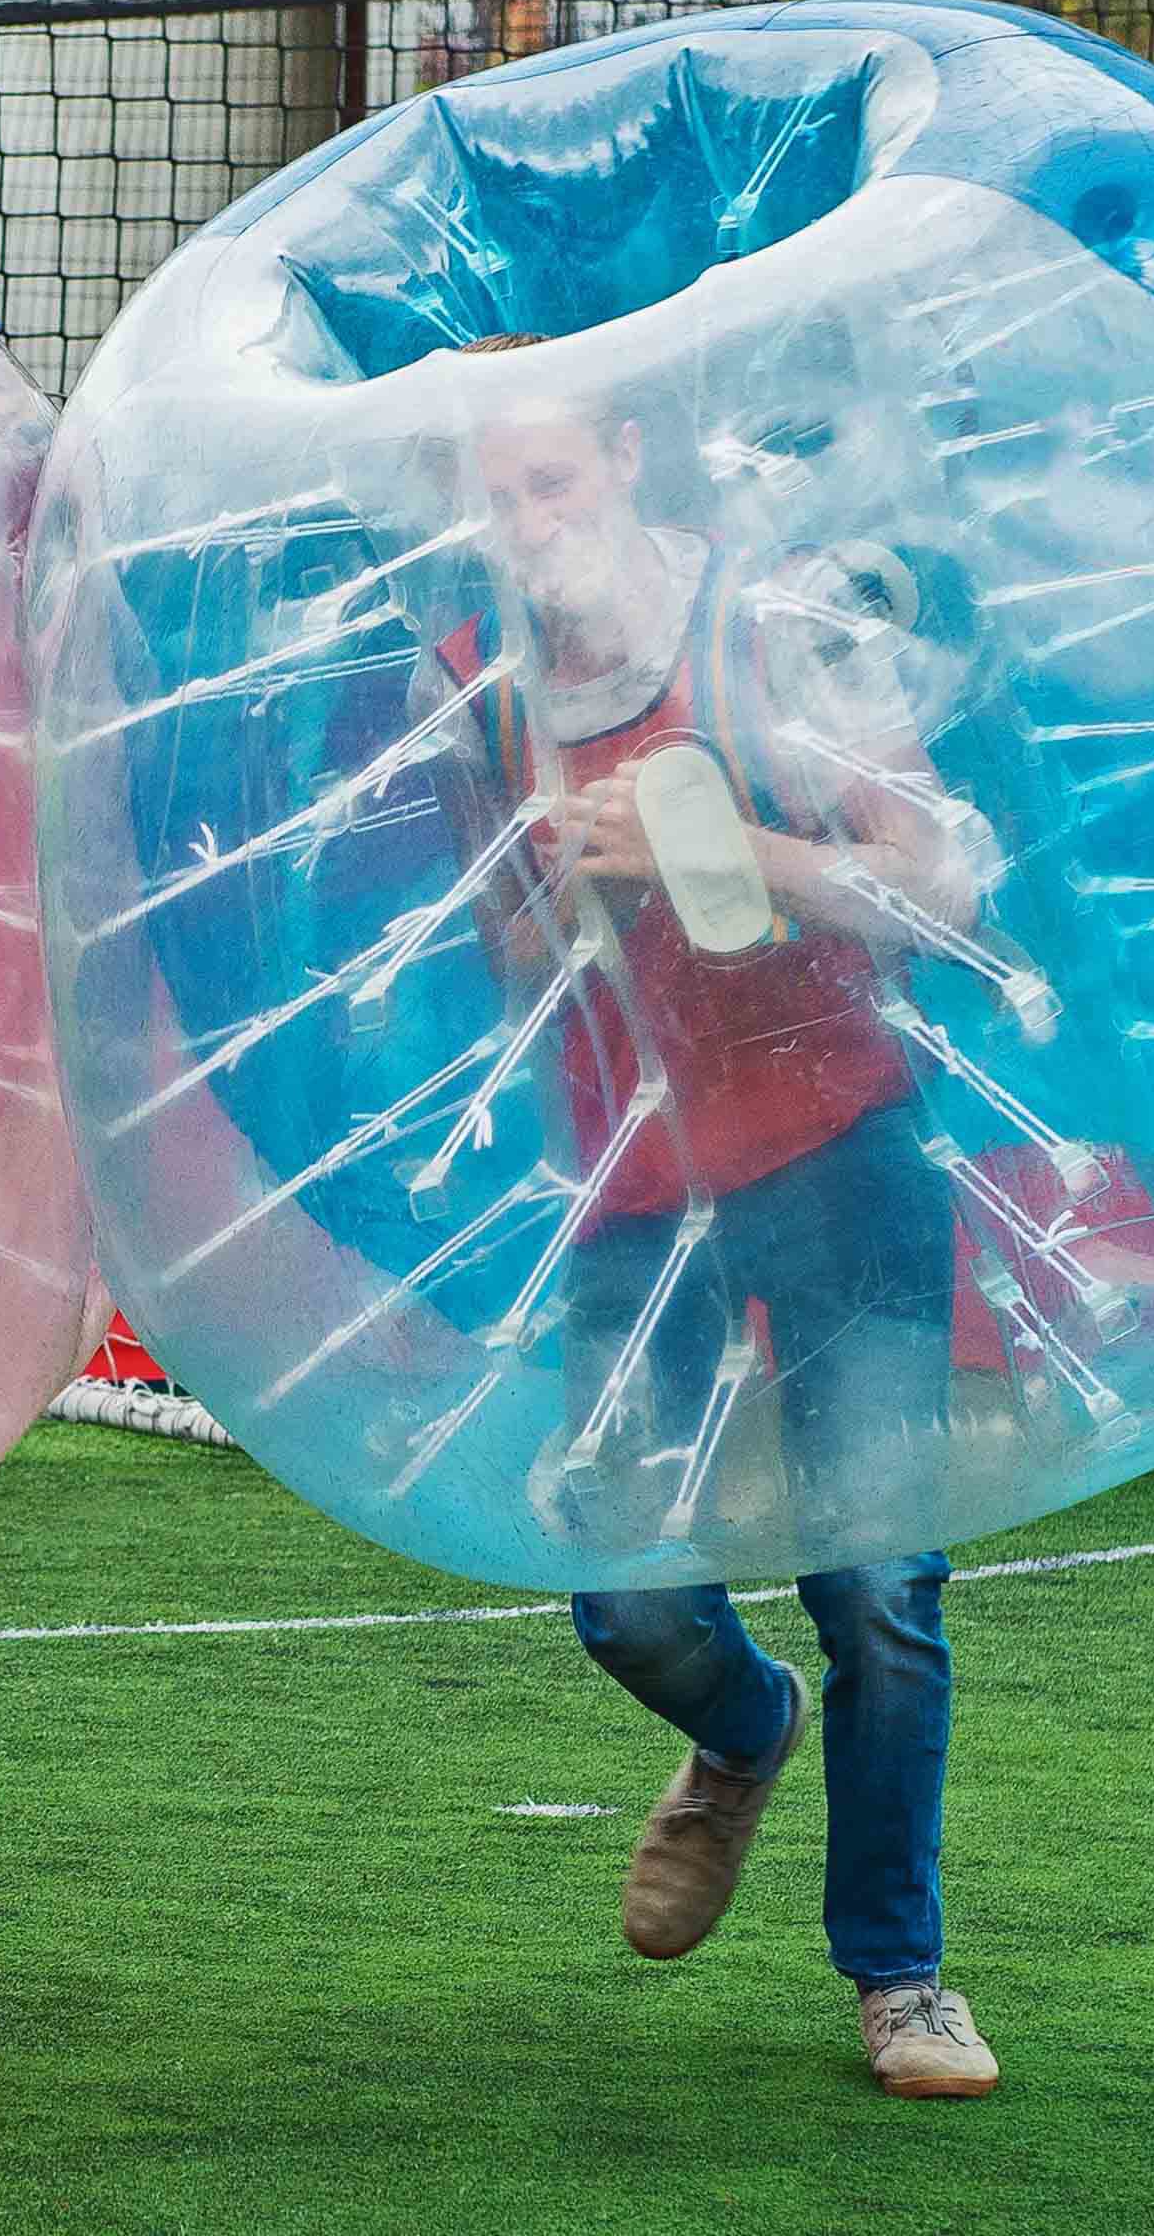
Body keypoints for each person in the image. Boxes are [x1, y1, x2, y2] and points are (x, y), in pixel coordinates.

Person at [415, 332, 1000, 2100]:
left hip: (841, 1149)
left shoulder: (776, 630)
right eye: (495, 496)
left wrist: (717, 851)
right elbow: (502, 962)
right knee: (628, 1599)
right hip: (633, 1179)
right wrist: (557, 890)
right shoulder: (480, 687)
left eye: (554, 483)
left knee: (881, 1583)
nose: (527, 525)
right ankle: (745, 1731)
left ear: (623, 464)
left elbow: (941, 882)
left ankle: (900, 1974)